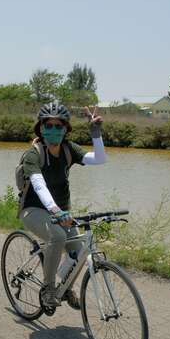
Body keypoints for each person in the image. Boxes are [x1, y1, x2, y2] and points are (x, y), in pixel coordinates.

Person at [19, 102, 106, 309]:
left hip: (62, 212)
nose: (54, 130)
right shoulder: (33, 154)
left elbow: (100, 159)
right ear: (41, 128)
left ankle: (65, 287)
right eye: (49, 125)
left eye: (59, 126)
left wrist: (96, 133)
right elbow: (39, 186)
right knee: (57, 236)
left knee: (79, 249)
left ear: (66, 129)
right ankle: (48, 289)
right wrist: (56, 210)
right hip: (34, 210)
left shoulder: (68, 149)